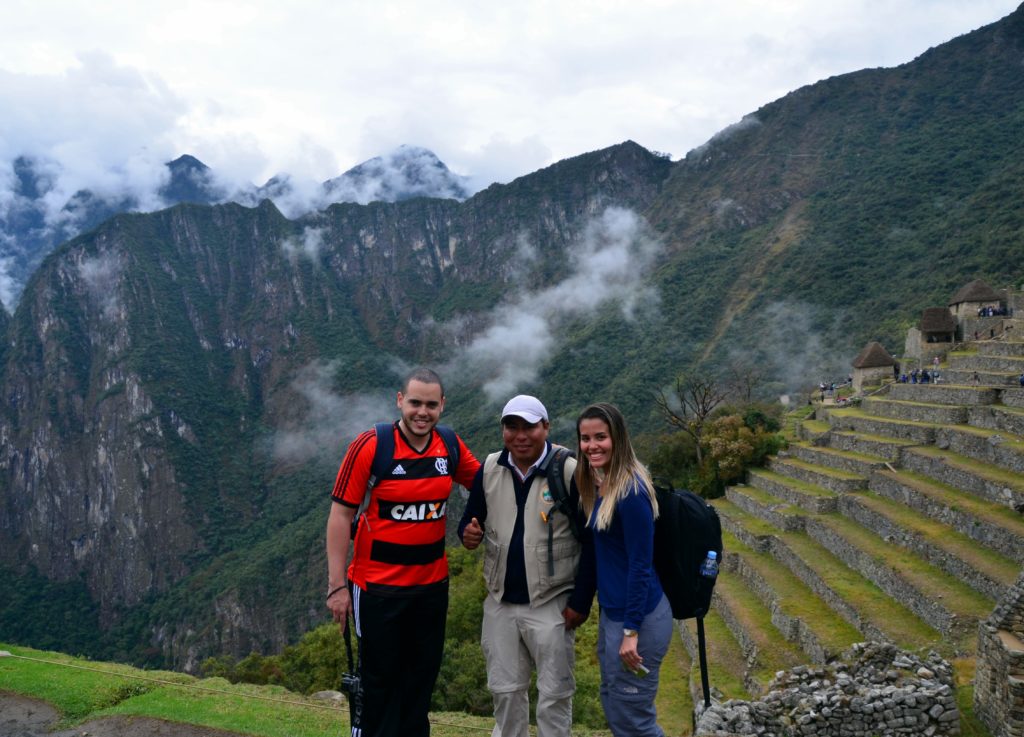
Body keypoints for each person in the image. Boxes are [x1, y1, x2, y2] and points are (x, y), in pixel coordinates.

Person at [326, 367, 481, 737]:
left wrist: (470, 525)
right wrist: (336, 587)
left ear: (442, 405)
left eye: (430, 404)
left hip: (430, 589)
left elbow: (488, 483)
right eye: (414, 403)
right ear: (400, 400)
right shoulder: (371, 446)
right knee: (378, 683)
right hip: (377, 589)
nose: (422, 412)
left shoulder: (450, 446)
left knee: (420, 682)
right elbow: (340, 514)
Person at [459, 395, 596, 737]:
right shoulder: (490, 469)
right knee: (505, 693)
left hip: (552, 601)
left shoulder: (568, 470)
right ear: (503, 429)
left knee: (554, 696)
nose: (520, 435)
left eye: (529, 427)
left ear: (545, 428)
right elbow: (469, 520)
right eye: (512, 427)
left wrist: (581, 602)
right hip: (500, 602)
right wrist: (468, 533)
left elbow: (593, 539)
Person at [575, 403, 673, 737]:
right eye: (585, 439)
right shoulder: (602, 483)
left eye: (601, 437)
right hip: (614, 614)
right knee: (615, 704)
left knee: (635, 720)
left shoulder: (631, 492)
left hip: (639, 619)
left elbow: (640, 565)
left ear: (618, 438)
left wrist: (631, 630)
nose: (592, 445)